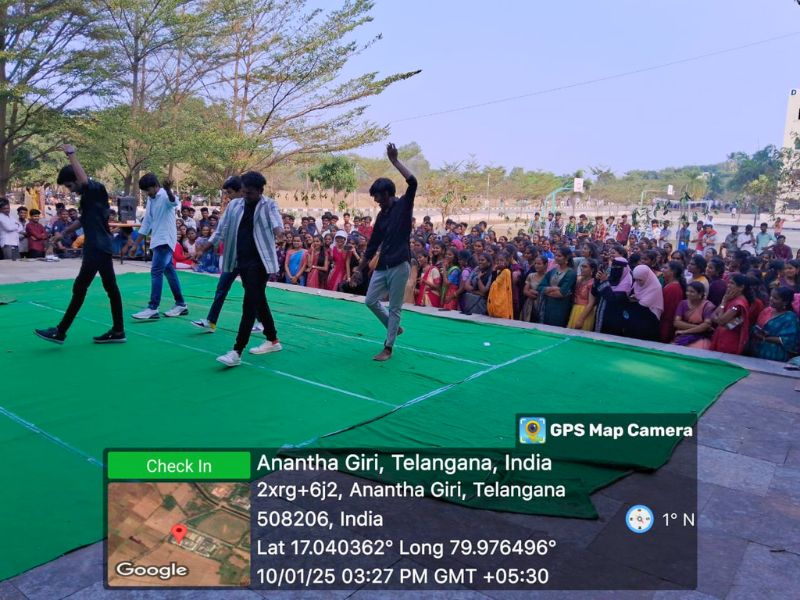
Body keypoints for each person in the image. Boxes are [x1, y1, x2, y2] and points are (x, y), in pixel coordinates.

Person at [34, 144, 125, 344]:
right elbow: (84, 219)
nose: (70, 190)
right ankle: (118, 331)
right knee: (110, 288)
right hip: (101, 246)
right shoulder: (88, 198)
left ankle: (61, 331)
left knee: (80, 288)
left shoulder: (94, 189)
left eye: (69, 185)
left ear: (75, 179)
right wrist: (64, 232)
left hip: (97, 248)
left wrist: (71, 155)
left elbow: (83, 180)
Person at [196, 171, 284, 366]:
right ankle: (273, 340)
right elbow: (222, 229)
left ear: (260, 191)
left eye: (250, 193)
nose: (245, 196)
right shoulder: (235, 205)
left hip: (260, 262)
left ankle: (237, 351)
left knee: (249, 304)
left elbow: (276, 223)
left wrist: (280, 233)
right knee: (258, 300)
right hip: (240, 260)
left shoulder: (268, 204)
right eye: (243, 192)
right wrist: (206, 247)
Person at [353, 143, 416, 361]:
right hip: (383, 265)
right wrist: (359, 269)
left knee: (395, 307)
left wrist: (395, 161)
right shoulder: (381, 216)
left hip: (400, 264)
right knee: (370, 300)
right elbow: (372, 246)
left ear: (388, 194)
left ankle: (388, 347)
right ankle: (394, 327)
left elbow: (413, 182)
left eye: (379, 197)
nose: (376, 201)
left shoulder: (404, 206)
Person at [131, 173, 188, 320]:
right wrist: (136, 244)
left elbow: (174, 202)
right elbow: (147, 222)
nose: (147, 194)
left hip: (165, 240)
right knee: (169, 271)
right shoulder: (151, 199)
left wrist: (168, 189)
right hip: (157, 239)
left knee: (156, 272)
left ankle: (153, 308)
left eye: (148, 190)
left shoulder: (164, 195)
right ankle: (181, 304)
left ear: (156, 186)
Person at [748, 287, 799, 362]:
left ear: (785, 302)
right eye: (771, 296)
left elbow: (789, 340)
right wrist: (757, 332)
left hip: (775, 354)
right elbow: (757, 326)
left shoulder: (790, 318)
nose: (771, 299)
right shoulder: (767, 311)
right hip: (758, 350)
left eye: (775, 298)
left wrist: (764, 338)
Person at [709, 274, 751, 355]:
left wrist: (723, 302)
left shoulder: (738, 305)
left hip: (729, 341)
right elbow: (713, 315)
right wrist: (723, 304)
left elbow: (720, 321)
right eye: (728, 282)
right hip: (721, 336)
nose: (728, 285)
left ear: (741, 287)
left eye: (732, 283)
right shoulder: (731, 299)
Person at [538, 246, 576, 327]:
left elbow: (562, 293)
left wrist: (547, 291)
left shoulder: (571, 273)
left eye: (559, 256)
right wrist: (553, 288)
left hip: (561, 307)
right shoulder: (553, 271)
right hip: (547, 306)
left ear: (567, 258)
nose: (556, 258)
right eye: (556, 255)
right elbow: (540, 287)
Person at [623, 264, 663, 341]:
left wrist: (634, 300)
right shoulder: (637, 284)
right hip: (636, 322)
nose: (638, 282)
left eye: (640, 280)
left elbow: (644, 304)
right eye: (636, 279)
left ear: (647, 278)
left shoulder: (655, 287)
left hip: (649, 322)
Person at [593, 257, 632, 336]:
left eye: (618, 267)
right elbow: (595, 293)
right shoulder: (610, 279)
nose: (615, 269)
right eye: (613, 267)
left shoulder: (626, 284)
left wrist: (604, 282)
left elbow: (612, 299)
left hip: (614, 320)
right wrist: (597, 280)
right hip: (600, 317)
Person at [673, 281, 715, 349]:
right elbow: (677, 323)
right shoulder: (683, 304)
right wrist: (699, 327)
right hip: (683, 336)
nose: (688, 293)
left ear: (700, 294)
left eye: (692, 292)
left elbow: (706, 325)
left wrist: (685, 331)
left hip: (701, 337)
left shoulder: (708, 306)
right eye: (687, 291)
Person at [568, 259, 597, 331]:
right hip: (575, 309)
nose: (582, 268)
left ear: (592, 270)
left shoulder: (592, 283)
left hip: (585, 313)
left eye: (585, 267)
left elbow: (591, 303)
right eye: (581, 266)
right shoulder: (580, 280)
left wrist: (581, 319)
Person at [660, 261, 686, 342]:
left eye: (665, 268)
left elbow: (668, 312)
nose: (662, 270)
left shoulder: (673, 288)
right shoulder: (671, 285)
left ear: (673, 272)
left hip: (666, 327)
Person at [487, 253, 513, 319]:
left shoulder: (506, 271)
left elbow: (494, 284)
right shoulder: (499, 271)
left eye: (501, 260)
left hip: (502, 300)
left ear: (507, 261)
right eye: (497, 260)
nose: (499, 262)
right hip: (497, 298)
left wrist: (493, 271)